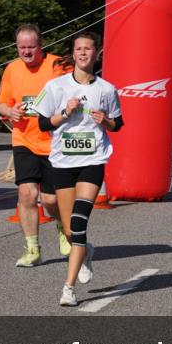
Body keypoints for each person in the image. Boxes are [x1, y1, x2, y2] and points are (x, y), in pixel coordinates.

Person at [36, 31, 123, 307]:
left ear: (97, 53)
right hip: (63, 162)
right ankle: (86, 251)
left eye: (88, 49)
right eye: (79, 49)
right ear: (72, 54)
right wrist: (65, 112)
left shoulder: (107, 89)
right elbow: (42, 124)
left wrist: (105, 121)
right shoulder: (56, 86)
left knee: (79, 222)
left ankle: (68, 288)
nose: (84, 53)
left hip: (92, 161)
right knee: (72, 231)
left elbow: (118, 125)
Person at [0, 23, 72, 268]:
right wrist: (10, 110)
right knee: (26, 194)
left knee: (50, 200)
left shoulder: (58, 65)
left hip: (54, 142)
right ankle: (32, 249)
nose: (26, 52)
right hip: (24, 139)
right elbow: (2, 103)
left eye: (31, 47)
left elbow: (77, 92)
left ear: (41, 46)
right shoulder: (12, 69)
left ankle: (62, 226)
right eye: (21, 47)